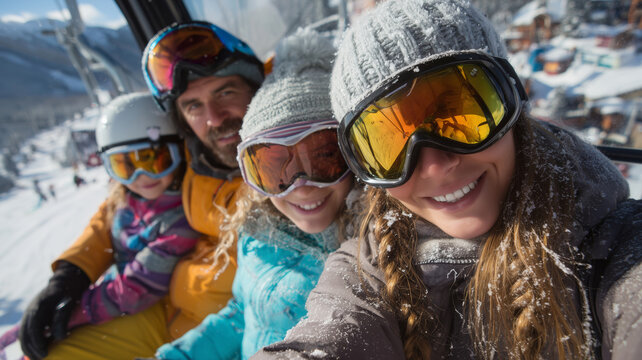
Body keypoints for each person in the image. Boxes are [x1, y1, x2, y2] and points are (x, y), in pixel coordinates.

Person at [254, 0, 642, 359]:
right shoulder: (368, 265)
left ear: (510, 103)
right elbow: (328, 339)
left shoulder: (617, 246)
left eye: (459, 114)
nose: (435, 165)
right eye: (389, 144)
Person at [19, 22, 265, 360]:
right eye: (193, 105)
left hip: (219, 334)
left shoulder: (281, 166)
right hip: (165, 314)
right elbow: (117, 209)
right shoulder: (188, 155)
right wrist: (70, 274)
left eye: (226, 92)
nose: (213, 118)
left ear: (256, 88)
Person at [153, 29, 358, 360]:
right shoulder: (258, 230)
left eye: (323, 158)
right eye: (275, 169)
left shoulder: (366, 255)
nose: (301, 186)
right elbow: (243, 312)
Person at [19, 93, 200, 358]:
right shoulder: (125, 200)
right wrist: (66, 284)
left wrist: (72, 314)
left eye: (153, 160)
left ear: (178, 153)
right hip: (122, 303)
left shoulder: (179, 219)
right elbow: (99, 231)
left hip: (155, 309)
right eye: (124, 166)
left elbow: (135, 289)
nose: (142, 177)